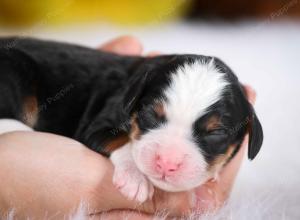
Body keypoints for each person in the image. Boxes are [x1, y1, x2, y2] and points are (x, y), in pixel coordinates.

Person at [0, 36, 256, 219]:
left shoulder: (148, 84)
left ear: (248, 133)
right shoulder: (132, 93)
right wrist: (124, 155)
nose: (167, 162)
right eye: (152, 118)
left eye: (213, 134)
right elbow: (97, 132)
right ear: (135, 101)